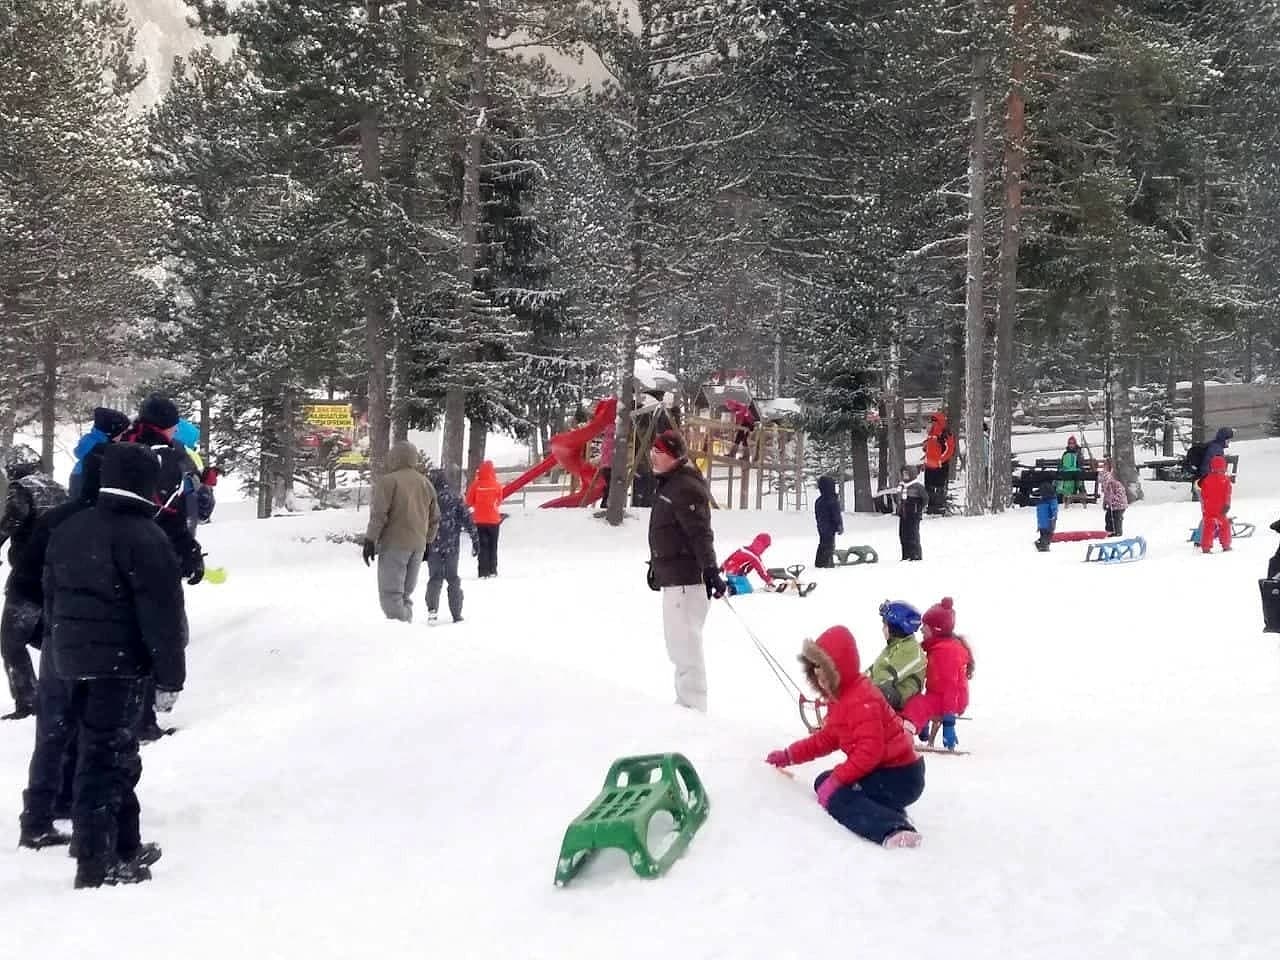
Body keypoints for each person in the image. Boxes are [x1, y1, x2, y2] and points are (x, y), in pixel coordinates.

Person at [46, 442, 187, 888]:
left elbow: (50, 592)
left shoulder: (73, 527)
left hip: (70, 657)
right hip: (118, 663)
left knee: (107, 752)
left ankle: (124, 843)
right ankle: (95, 862)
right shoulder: (144, 536)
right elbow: (162, 613)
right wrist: (170, 676)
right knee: (107, 757)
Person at [18, 444, 107, 849]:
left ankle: (38, 814)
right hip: (102, 641)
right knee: (94, 729)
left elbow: (26, 578)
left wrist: (44, 628)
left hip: (57, 633)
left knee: (53, 730)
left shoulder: (56, 521)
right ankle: (79, 805)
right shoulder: (116, 523)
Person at [765, 625, 924, 848]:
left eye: (824, 667)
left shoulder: (861, 700)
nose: (818, 673)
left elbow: (870, 752)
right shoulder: (841, 698)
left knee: (836, 794)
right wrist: (789, 755)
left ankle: (893, 828)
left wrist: (838, 779)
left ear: (840, 668)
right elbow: (825, 739)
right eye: (815, 667)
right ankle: (888, 809)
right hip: (886, 770)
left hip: (900, 775)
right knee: (825, 781)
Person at [118, 395, 203, 742]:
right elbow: (171, 513)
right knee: (159, 631)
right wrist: (189, 551)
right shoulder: (167, 458)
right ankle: (144, 717)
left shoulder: (120, 445)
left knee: (124, 631)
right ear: (168, 425)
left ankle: (121, 711)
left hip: (109, 549)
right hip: (152, 550)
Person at [647, 430, 724, 712]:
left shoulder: (685, 487)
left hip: (687, 584)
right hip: (674, 579)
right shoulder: (671, 484)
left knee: (686, 647)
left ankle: (693, 708)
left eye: (660, 452)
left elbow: (700, 534)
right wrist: (658, 566)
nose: (654, 457)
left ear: (674, 456)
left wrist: (710, 569)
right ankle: (685, 705)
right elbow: (671, 533)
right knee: (677, 646)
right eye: (652, 451)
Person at [0, 446, 68, 719]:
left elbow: (8, 524)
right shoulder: (59, 488)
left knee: (11, 640)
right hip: (58, 576)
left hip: (28, 579)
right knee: (49, 637)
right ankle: (62, 690)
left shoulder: (22, 489)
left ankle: (29, 700)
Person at [363, 441, 439, 621]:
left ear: (394, 458)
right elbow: (435, 518)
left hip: (395, 545)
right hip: (418, 546)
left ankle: (400, 633)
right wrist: (428, 542)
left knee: (391, 596)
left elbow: (379, 514)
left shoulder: (388, 482)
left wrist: (370, 540)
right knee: (405, 595)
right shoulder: (425, 483)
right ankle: (407, 631)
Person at [901, 597, 974, 751]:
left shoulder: (946, 653)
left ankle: (904, 736)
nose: (921, 630)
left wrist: (949, 722)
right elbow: (935, 683)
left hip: (953, 700)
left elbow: (950, 688)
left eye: (925, 627)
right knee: (915, 700)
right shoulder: (937, 647)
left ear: (936, 630)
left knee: (916, 705)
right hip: (940, 695)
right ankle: (920, 728)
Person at [425, 468, 477, 624]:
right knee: (453, 578)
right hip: (452, 544)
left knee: (434, 578)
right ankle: (456, 613)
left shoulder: (427, 500)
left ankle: (432, 610)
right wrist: (475, 539)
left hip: (433, 544)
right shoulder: (454, 498)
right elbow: (467, 519)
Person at [867, 600, 926, 711]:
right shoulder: (892, 646)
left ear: (896, 628)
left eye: (885, 625)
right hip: (886, 692)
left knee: (874, 694)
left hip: (901, 699)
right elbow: (874, 669)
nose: (883, 628)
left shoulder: (911, 650)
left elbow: (887, 676)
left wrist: (862, 691)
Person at [67, 407, 129, 501]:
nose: (123, 436)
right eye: (122, 433)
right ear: (110, 432)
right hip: (88, 497)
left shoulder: (91, 442)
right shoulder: (102, 450)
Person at [466, 460, 504, 578]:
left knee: (483, 546)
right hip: (494, 520)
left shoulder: (475, 485)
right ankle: (493, 569)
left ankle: (483, 571)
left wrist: (478, 506)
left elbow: (468, 501)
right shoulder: (497, 485)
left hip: (480, 520)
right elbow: (499, 500)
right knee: (493, 545)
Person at [920, 411, 956, 515]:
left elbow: (949, 449)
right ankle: (931, 507)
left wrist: (940, 460)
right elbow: (929, 449)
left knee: (938, 487)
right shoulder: (931, 435)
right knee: (930, 487)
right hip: (930, 465)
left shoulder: (944, 434)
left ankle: (938, 508)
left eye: (931, 421)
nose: (928, 424)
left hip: (940, 465)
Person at [1198, 455, 1232, 554]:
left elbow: (1203, 493)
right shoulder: (1225, 480)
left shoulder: (1207, 479)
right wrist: (1227, 504)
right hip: (1221, 508)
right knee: (1224, 526)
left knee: (1208, 527)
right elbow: (1227, 494)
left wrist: (1205, 505)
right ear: (1224, 466)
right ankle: (1226, 545)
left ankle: (1206, 547)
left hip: (1209, 507)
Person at [897, 465, 926, 562]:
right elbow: (898, 497)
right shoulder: (901, 486)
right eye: (903, 473)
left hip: (914, 513)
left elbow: (925, 498)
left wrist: (918, 508)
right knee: (903, 534)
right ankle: (906, 555)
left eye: (907, 473)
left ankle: (915, 555)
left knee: (913, 534)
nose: (905, 476)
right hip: (904, 514)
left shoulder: (918, 486)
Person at [814, 476, 843, 568]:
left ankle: (819, 562)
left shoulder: (818, 501)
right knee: (829, 544)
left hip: (821, 525)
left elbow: (817, 515)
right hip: (830, 526)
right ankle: (827, 562)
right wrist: (839, 525)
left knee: (822, 543)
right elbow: (836, 514)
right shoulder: (832, 500)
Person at [1099, 458, 1128, 537]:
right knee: (1108, 517)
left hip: (1119, 503)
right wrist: (1105, 502)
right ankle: (1109, 531)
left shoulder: (1112, 481)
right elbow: (1106, 493)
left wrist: (1112, 501)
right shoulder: (1105, 480)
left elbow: (1114, 493)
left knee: (1116, 518)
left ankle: (1117, 533)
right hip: (1112, 504)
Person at [1056, 436, 1088, 500]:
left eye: (1072, 443)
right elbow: (1062, 463)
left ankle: (1080, 492)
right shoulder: (1065, 453)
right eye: (1070, 443)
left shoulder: (1078, 453)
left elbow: (1080, 465)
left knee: (1079, 477)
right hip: (1066, 473)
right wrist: (1061, 468)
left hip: (1075, 473)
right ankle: (1061, 493)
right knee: (1058, 478)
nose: (1071, 445)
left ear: (1075, 444)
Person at [1035, 479, 1058, 552]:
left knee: (1044, 534)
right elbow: (1054, 509)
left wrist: (1039, 524)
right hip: (1049, 522)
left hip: (1042, 523)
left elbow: (1038, 513)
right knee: (1048, 535)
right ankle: (1044, 546)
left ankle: (1041, 544)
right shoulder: (1052, 501)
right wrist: (1054, 517)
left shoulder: (1041, 502)